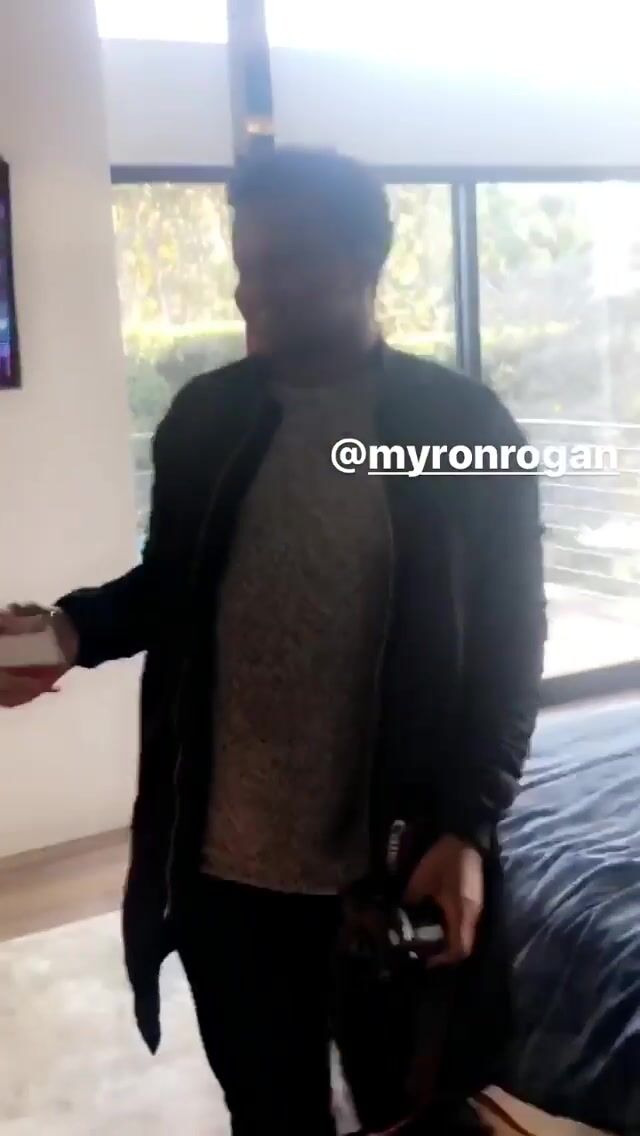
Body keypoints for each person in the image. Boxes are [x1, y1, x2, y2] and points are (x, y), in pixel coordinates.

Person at [0, 148, 546, 1135]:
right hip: (225, 875)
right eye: (246, 262)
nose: (253, 290)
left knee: (415, 1110)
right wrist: (66, 631)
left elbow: (508, 647)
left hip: (390, 864)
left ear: (366, 260)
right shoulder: (206, 419)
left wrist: (468, 827)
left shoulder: (460, 423)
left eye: (286, 261)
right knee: (268, 1112)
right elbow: (173, 585)